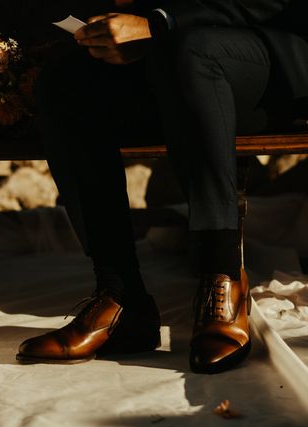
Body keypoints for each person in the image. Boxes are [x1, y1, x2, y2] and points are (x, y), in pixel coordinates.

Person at [17, 0, 308, 373]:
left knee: (189, 50)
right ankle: (121, 298)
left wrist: (158, 23)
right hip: (168, 56)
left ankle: (222, 278)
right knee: (65, 76)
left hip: (279, 52)